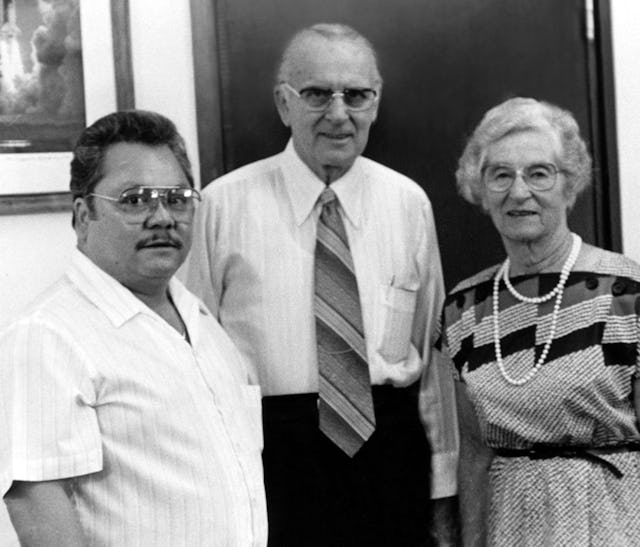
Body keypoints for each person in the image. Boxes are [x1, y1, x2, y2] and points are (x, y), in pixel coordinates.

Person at [182, 22, 458, 547]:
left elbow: (433, 357)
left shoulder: (408, 204)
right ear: (283, 104)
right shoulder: (221, 206)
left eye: (356, 95)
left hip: (389, 455)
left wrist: (443, 488)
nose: (338, 113)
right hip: (271, 458)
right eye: (316, 94)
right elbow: (193, 362)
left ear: (375, 104)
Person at [0, 110, 267, 546]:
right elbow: (37, 505)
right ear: (84, 215)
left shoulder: (202, 324)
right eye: (136, 199)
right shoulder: (48, 335)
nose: (163, 217)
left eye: (177, 198)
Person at [441, 97, 640, 546]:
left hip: (615, 521)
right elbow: (473, 454)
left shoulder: (626, 292)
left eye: (538, 173)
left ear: (568, 184)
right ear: (480, 188)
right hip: (509, 525)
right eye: (501, 175)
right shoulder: (463, 308)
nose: (518, 191)